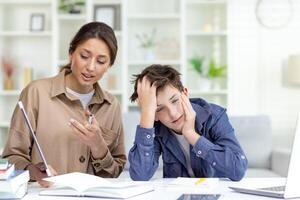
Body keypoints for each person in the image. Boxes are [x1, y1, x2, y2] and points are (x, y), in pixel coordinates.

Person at [2, 22, 126, 187]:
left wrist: (99, 147)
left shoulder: (112, 106)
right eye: (84, 56)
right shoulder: (36, 93)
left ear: (109, 66)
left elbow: (115, 171)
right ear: (71, 53)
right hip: (43, 195)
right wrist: (33, 171)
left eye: (101, 61)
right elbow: (11, 157)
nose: (90, 67)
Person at [128, 64, 247, 181]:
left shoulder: (214, 116)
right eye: (159, 109)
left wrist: (191, 134)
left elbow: (238, 169)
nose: (173, 113)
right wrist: (147, 112)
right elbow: (140, 175)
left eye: (175, 100)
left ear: (185, 93)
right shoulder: (156, 127)